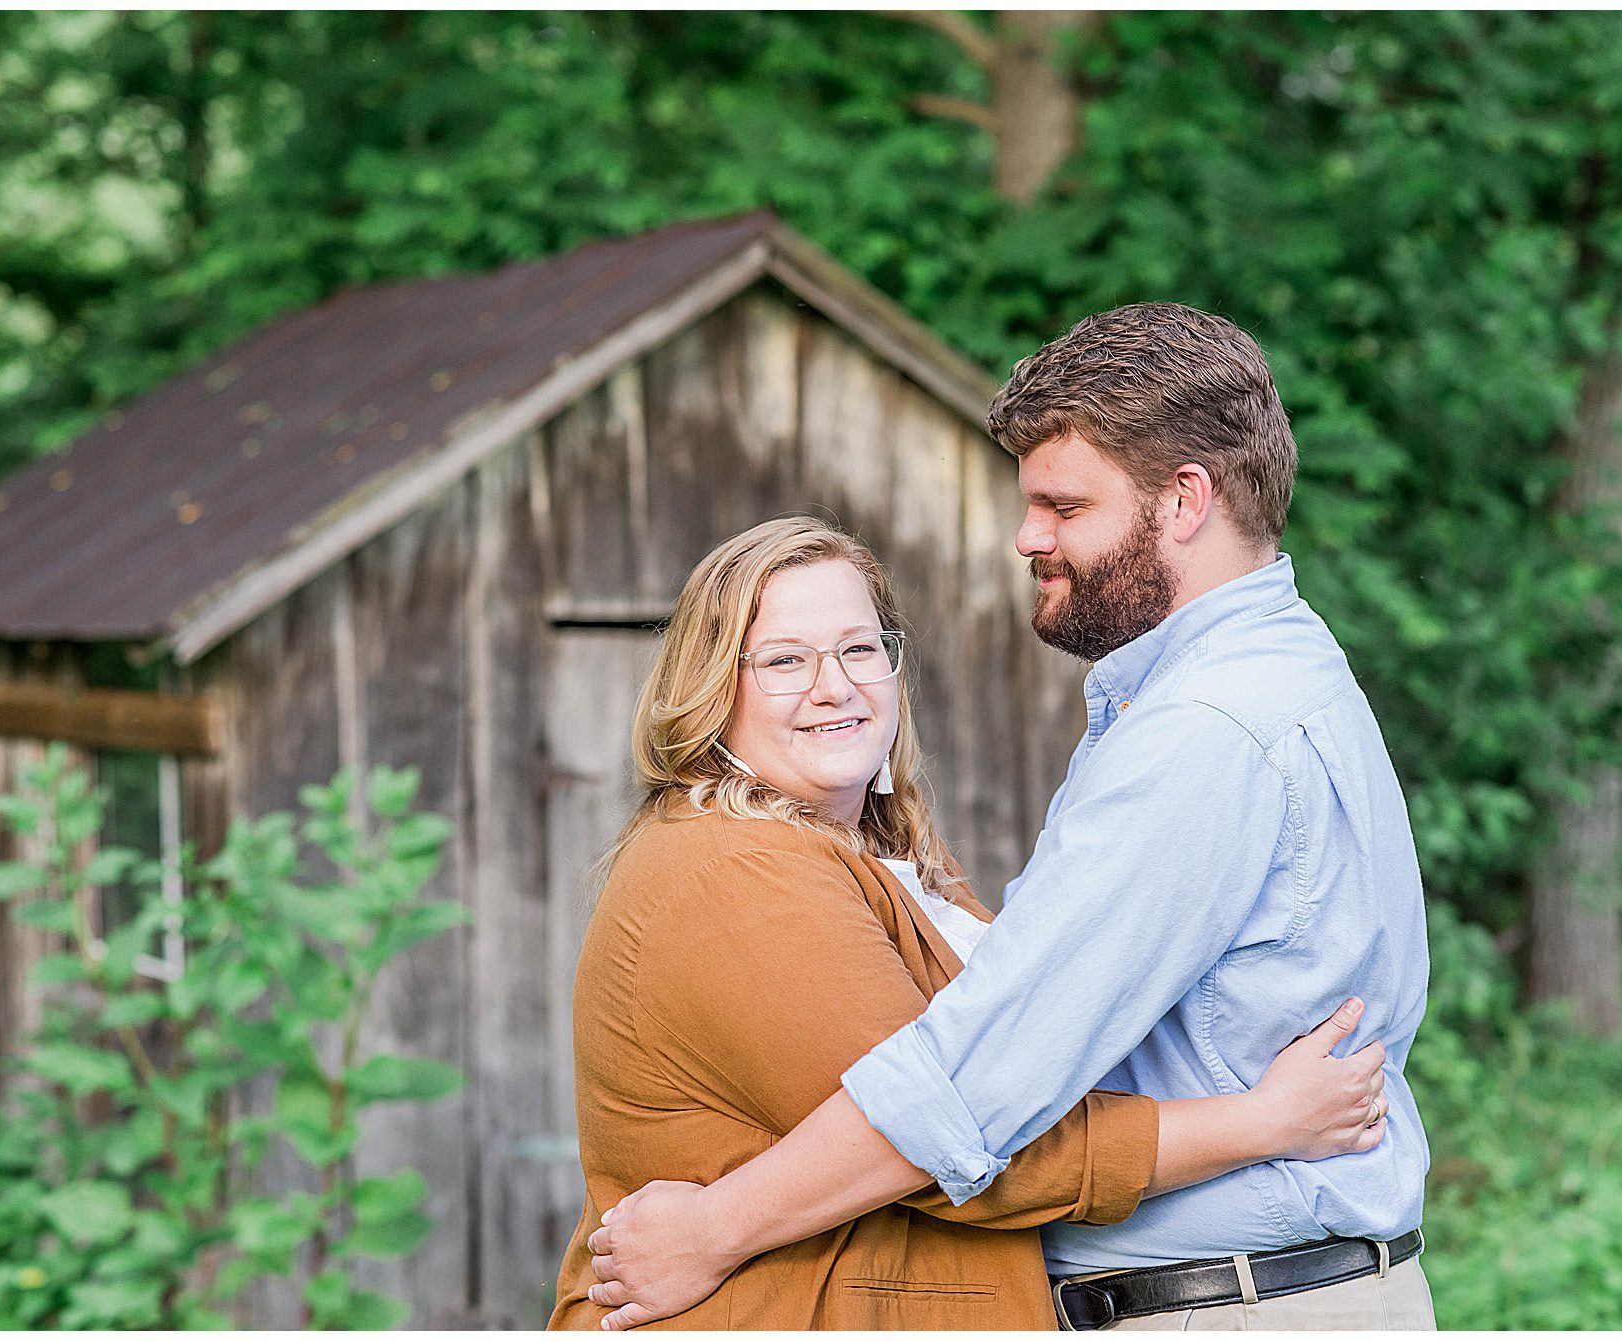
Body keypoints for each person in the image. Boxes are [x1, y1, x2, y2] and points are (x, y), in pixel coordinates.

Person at [584, 305, 1436, 1331]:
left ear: (1183, 502)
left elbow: (973, 1092)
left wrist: (714, 1228)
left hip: (1235, 1306)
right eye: (782, 660)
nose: (1027, 537)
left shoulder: (1204, 729)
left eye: (1062, 506)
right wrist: (1256, 1121)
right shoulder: (1272, 682)